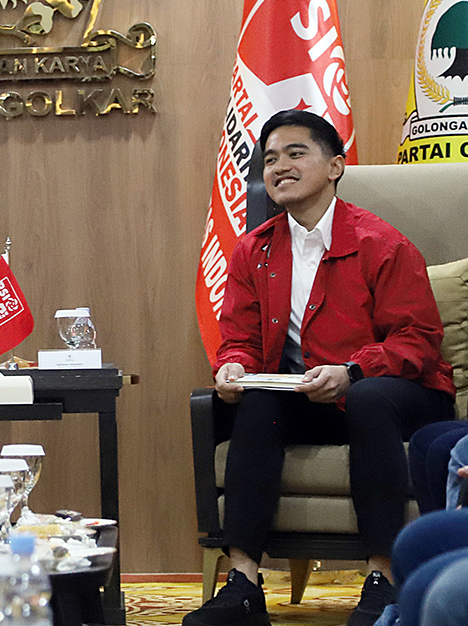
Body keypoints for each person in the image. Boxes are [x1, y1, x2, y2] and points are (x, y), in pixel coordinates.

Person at [183, 110, 455, 626]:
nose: (279, 166)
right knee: (258, 403)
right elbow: (238, 337)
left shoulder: (382, 243)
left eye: (295, 153)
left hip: (398, 394)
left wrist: (352, 370)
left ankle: (384, 580)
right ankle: (243, 583)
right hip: (308, 395)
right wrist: (234, 367)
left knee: (371, 399)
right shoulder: (253, 251)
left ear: (335, 166)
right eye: (269, 159)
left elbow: (418, 340)